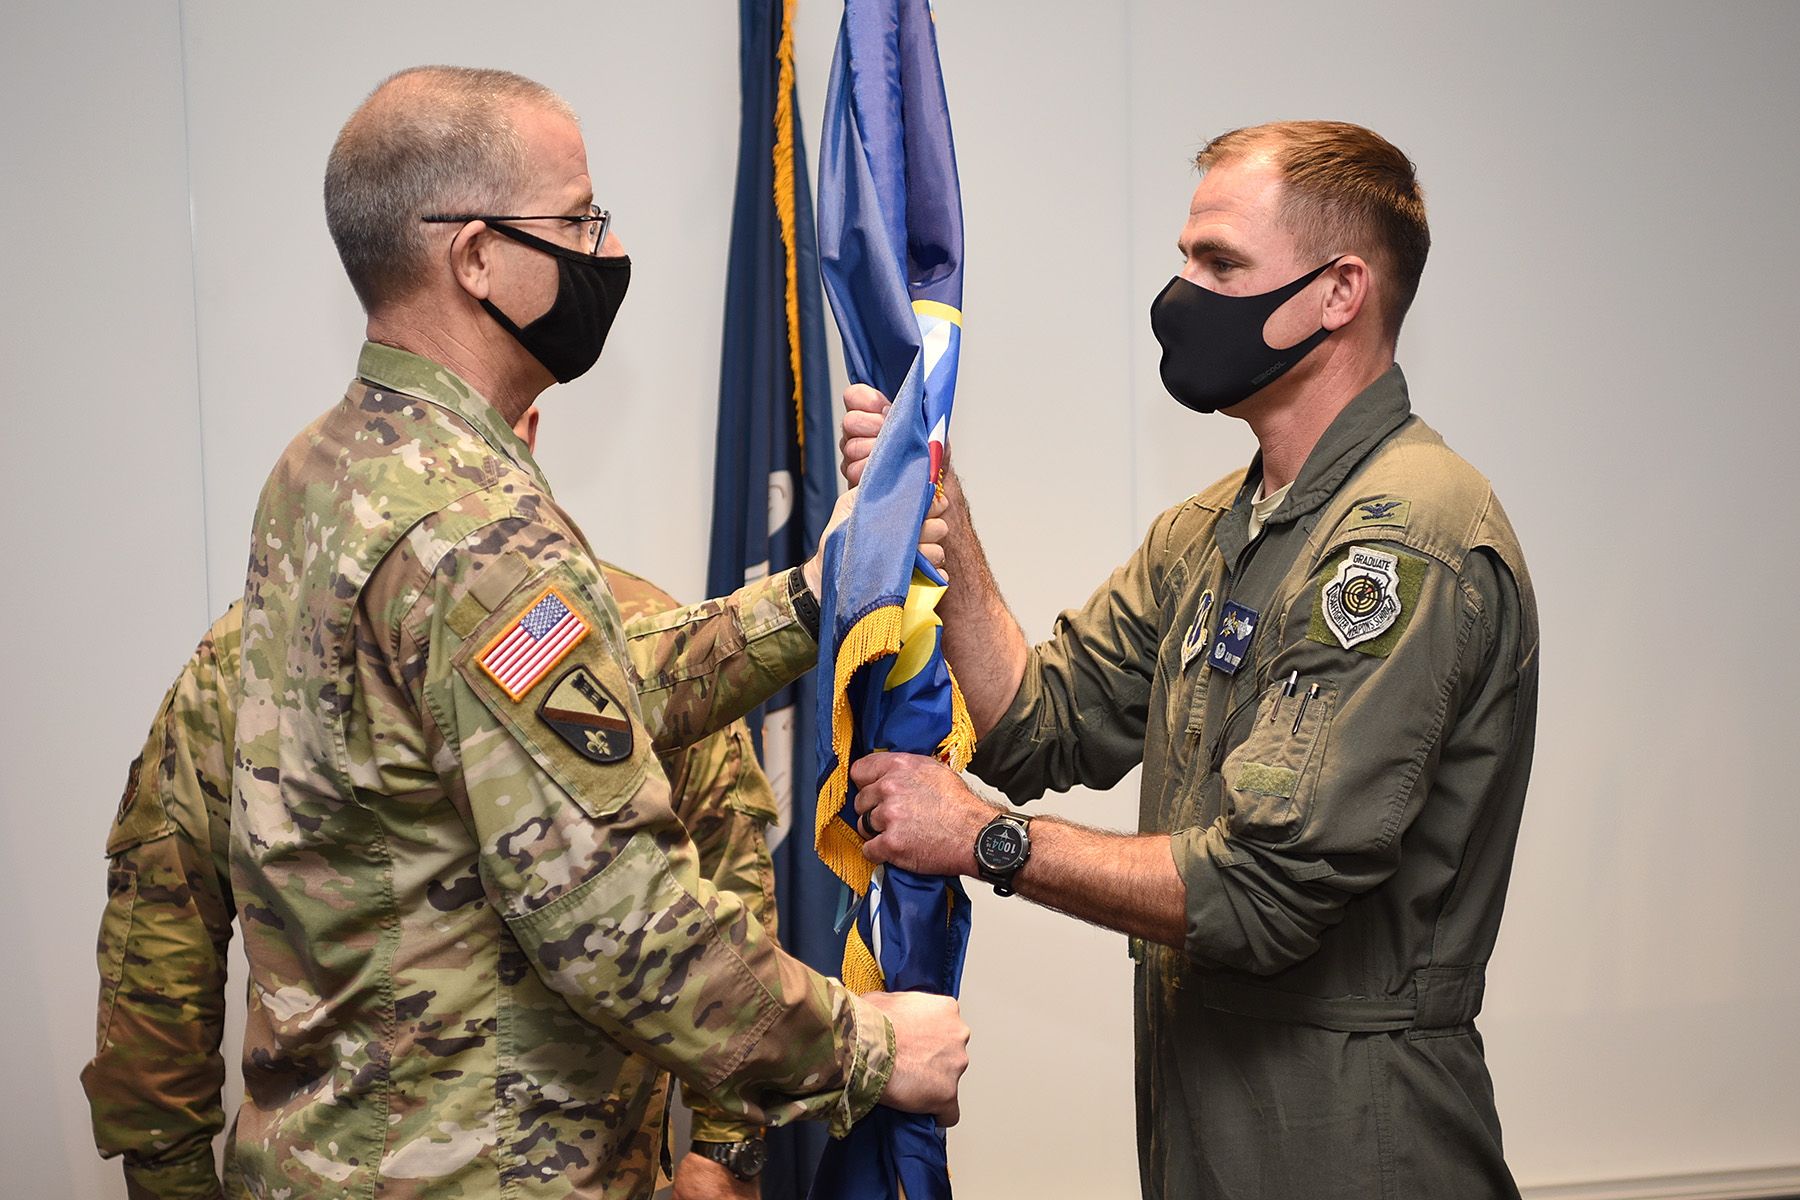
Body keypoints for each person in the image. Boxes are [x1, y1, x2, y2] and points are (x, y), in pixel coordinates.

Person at [225, 66, 964, 1199]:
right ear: (474, 257)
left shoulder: (331, 467)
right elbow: (617, 925)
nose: (604, 251)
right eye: (576, 219)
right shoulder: (477, 533)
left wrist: (812, 599)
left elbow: (555, 717)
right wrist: (871, 1048)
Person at [842, 121, 1538, 1199]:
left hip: (1355, 1148)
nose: (1181, 294)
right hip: (1206, 1142)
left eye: (1219, 264)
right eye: (1184, 260)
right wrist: (943, 516)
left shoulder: (1403, 543)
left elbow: (1264, 888)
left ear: (1339, 291)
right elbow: (1039, 724)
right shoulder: (1215, 528)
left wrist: (984, 838)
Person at [80, 415, 800, 1199]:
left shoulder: (634, 641)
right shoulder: (238, 663)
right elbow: (162, 937)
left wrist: (726, 1150)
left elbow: (724, 881)